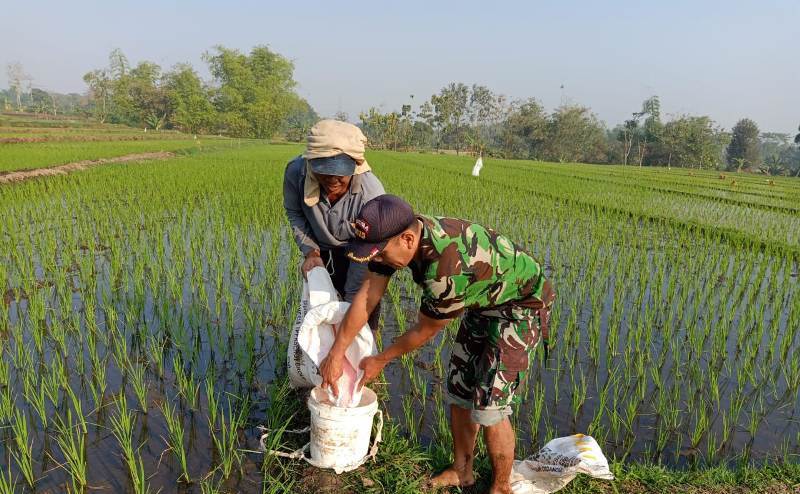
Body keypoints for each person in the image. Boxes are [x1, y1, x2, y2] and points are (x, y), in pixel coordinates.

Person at [319, 195, 554, 494]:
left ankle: (501, 487)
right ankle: (461, 471)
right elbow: (366, 297)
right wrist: (337, 352)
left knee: (490, 405)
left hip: (521, 305)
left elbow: (425, 330)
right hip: (483, 300)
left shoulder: (445, 270)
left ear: (406, 239)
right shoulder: (398, 238)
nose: (375, 260)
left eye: (379, 253)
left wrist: (380, 359)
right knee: (460, 388)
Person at [283, 119, 385, 328]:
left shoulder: (371, 195)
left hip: (361, 250)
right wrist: (311, 252)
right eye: (324, 170)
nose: (332, 179)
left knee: (360, 304)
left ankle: (364, 352)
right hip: (322, 251)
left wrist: (350, 308)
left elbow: (366, 250)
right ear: (311, 162)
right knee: (323, 303)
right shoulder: (296, 173)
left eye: (340, 172)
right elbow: (295, 212)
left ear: (355, 165)